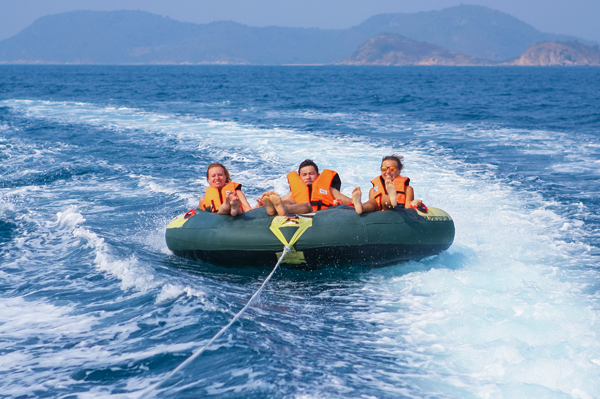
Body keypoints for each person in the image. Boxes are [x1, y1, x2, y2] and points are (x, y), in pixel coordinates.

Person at [261, 159, 352, 216]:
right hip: (299, 219)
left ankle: (284, 209)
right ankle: (272, 207)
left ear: (318, 175)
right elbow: (280, 202)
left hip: (322, 217)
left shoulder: (330, 190)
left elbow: (350, 202)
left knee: (307, 205)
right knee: (290, 200)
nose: (308, 177)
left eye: (311, 174)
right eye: (304, 175)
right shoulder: (294, 192)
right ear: (300, 177)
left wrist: (338, 204)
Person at [352, 155, 422, 214]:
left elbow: (408, 208)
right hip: (380, 214)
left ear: (399, 171)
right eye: (384, 168)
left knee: (384, 199)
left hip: (397, 212)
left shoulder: (407, 189)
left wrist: (415, 204)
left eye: (392, 169)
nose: (388, 171)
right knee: (372, 202)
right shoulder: (373, 190)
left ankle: (392, 200)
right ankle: (361, 207)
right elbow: (374, 209)